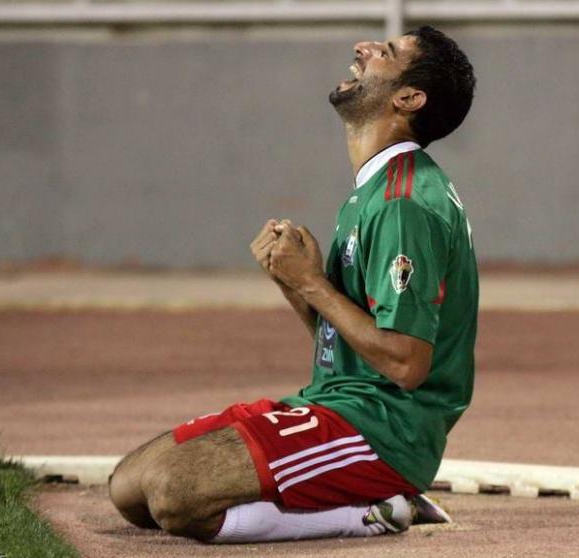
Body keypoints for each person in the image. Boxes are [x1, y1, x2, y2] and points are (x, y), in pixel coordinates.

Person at [109, 25, 478, 543]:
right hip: (338, 404)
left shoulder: (404, 202)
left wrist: (312, 284)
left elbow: (405, 363)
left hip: (385, 432)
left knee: (175, 494)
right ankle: (354, 499)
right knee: (129, 488)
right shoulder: (375, 191)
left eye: (386, 52)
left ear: (408, 98)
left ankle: (375, 512)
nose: (363, 48)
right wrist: (293, 283)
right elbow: (354, 350)